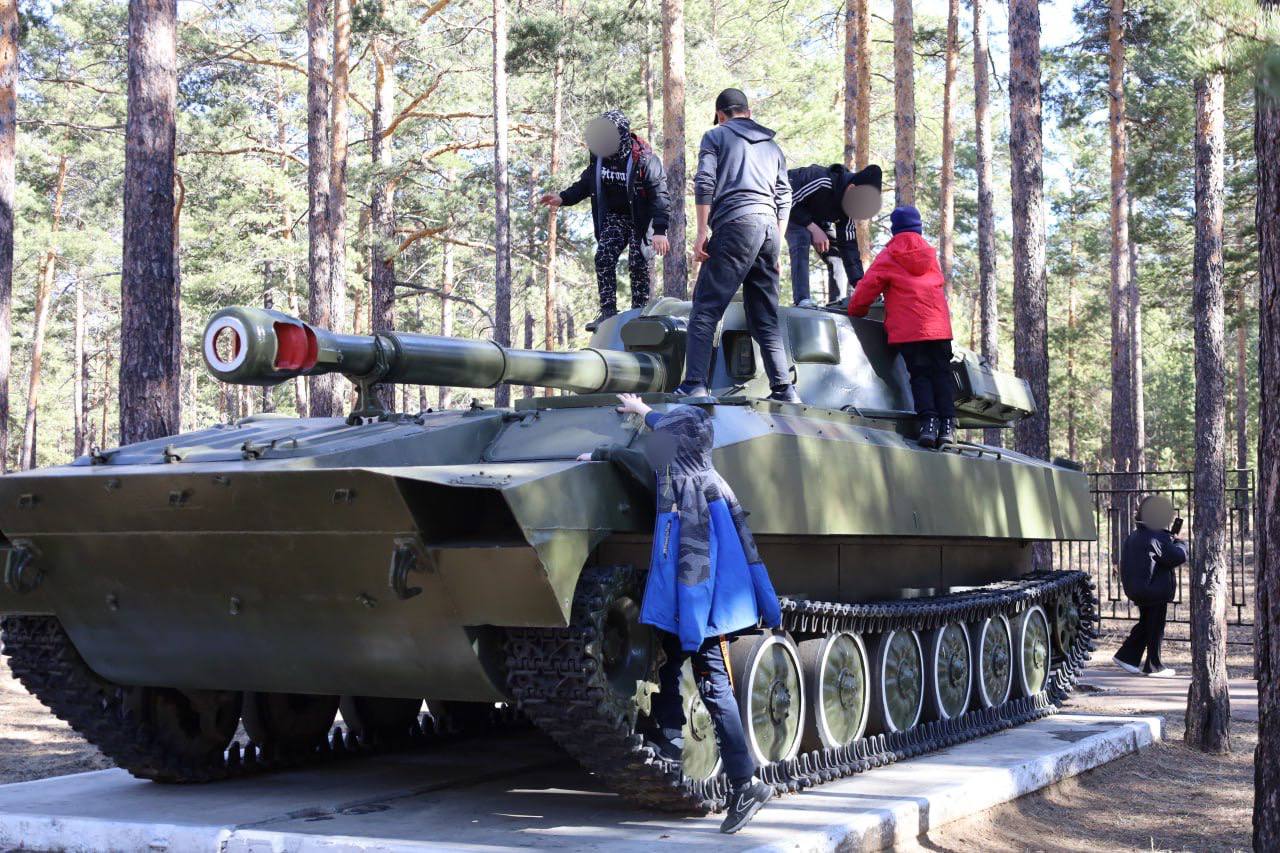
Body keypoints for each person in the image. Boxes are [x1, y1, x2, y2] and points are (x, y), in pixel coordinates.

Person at [578, 393, 782, 834]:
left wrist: (602, 452)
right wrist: (641, 411)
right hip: (700, 601)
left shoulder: (692, 493)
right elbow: (655, 451)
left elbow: (697, 573)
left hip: (704, 604)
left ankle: (745, 782)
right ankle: (668, 736)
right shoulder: (698, 472)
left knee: (713, 684)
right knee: (668, 655)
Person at [675, 88, 800, 404]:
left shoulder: (715, 136)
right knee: (764, 316)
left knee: (705, 308)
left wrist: (702, 232)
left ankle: (694, 385)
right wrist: (779, 244)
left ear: (720, 114)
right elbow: (784, 197)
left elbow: (705, 182)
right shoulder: (772, 147)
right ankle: (784, 389)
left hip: (735, 224)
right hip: (769, 229)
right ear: (747, 110)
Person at [540, 110, 670, 330]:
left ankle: (639, 312)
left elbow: (660, 195)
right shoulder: (599, 157)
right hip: (616, 216)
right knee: (603, 257)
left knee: (638, 263)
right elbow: (587, 182)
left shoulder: (645, 160)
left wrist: (660, 230)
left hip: (641, 218)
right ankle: (608, 312)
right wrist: (563, 198)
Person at [847, 205, 956, 448]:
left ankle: (928, 424)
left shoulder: (889, 255)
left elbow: (867, 288)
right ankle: (948, 425)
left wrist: (856, 312)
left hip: (910, 329)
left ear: (895, 229)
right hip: (938, 327)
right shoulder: (929, 254)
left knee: (919, 375)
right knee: (941, 373)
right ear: (918, 227)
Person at [785, 162, 883, 306]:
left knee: (836, 251)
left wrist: (862, 287)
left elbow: (848, 247)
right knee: (802, 237)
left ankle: (836, 302)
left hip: (814, 215)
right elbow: (787, 199)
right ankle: (802, 299)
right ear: (851, 189)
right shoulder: (821, 180)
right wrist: (811, 226)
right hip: (788, 205)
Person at [1113, 495, 1188, 678]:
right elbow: (1176, 557)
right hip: (1154, 591)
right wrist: (1181, 543)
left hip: (1138, 589)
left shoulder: (1135, 535)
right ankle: (1154, 666)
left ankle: (1127, 656)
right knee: (1155, 628)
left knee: (1147, 624)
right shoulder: (1158, 537)